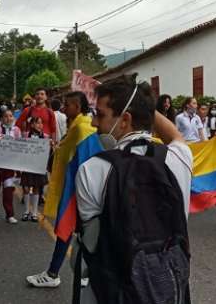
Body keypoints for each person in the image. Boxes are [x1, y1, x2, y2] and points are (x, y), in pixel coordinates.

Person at [74, 76, 192, 303]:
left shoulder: (92, 169)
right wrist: (142, 103)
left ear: (125, 119)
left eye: (99, 114)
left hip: (113, 292)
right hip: (169, 287)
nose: (94, 123)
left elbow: (91, 244)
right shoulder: (179, 158)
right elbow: (175, 136)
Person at [26, 91, 96, 289]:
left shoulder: (83, 128)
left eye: (68, 105)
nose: (64, 108)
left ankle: (56, 273)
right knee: (71, 231)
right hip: (73, 187)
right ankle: (68, 273)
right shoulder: (76, 126)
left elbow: (86, 159)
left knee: (69, 230)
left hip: (79, 191)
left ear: (78, 107)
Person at [22, 116, 51, 222]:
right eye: (37, 123)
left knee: (36, 188)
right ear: (32, 124)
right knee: (25, 187)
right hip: (27, 165)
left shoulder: (46, 137)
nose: (40, 125)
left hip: (39, 166)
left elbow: (49, 151)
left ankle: (34, 212)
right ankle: (26, 211)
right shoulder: (25, 135)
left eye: (41, 123)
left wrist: (51, 145)